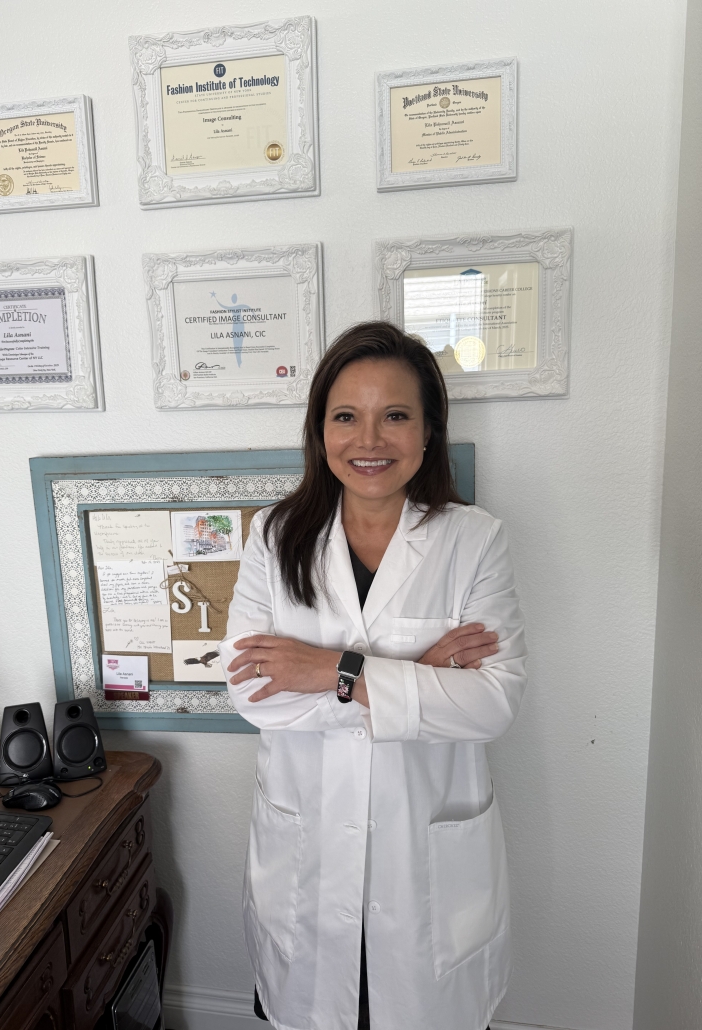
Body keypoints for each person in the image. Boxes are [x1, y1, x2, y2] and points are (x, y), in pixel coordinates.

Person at [220, 321, 527, 1030]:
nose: (369, 440)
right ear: (319, 431)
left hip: (425, 867)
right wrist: (413, 677)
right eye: (345, 417)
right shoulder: (273, 538)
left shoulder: (473, 540)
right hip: (308, 853)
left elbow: (491, 705)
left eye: (394, 416)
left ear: (427, 431)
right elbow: (252, 695)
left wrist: (333, 671)